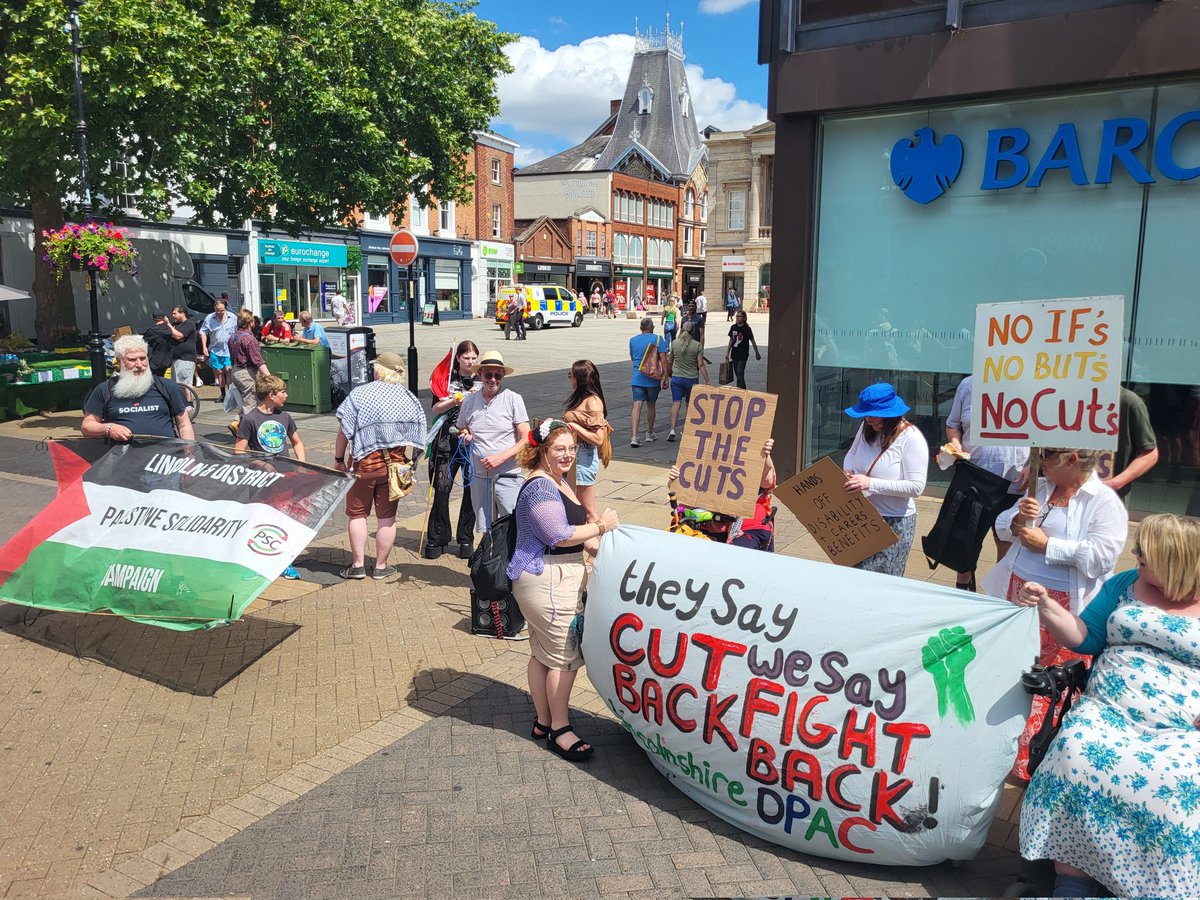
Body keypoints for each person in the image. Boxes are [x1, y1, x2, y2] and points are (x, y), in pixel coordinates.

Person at [1016, 513, 1200, 899]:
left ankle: (1149, 885)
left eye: (1145, 552)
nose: (1136, 555)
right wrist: (1047, 606)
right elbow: (1084, 638)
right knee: (1076, 752)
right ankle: (1072, 881)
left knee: (1179, 780)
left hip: (1182, 725)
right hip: (1109, 708)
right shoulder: (1124, 584)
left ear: (1174, 559)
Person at [981, 446, 1128, 782]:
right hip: (1018, 593)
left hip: (1064, 606)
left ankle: (1035, 759)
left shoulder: (1102, 501)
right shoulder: (1041, 488)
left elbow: (1102, 558)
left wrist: (1048, 545)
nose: (1038, 460)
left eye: (1046, 454)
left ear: (1072, 458)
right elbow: (1003, 527)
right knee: (1013, 670)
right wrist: (1018, 519)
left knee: (1049, 683)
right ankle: (1000, 747)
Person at [506, 418, 620, 762]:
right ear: (542, 450)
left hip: (549, 576)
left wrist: (593, 544)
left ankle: (543, 721)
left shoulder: (556, 479)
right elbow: (557, 533)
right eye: (560, 449)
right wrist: (601, 526)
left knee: (542, 653)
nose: (568, 454)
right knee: (566, 657)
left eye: (572, 448)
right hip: (549, 578)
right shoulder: (542, 486)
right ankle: (560, 729)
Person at [334, 353, 427, 580]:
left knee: (357, 515)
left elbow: (344, 431)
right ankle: (381, 567)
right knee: (387, 517)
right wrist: (412, 461)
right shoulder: (408, 398)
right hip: (394, 468)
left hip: (362, 465)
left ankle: (357, 566)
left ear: (379, 371)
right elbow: (419, 432)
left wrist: (338, 459)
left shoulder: (361, 394)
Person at [945, 374, 1030, 589]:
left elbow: (1047, 434)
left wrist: (1034, 465)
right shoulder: (968, 385)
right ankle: (963, 594)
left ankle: (1001, 595)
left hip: (1014, 483)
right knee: (966, 541)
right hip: (974, 477)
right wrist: (955, 443)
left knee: (1006, 543)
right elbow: (952, 424)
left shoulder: (1032, 384)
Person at [841, 383, 929, 577]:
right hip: (861, 517)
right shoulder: (867, 427)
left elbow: (916, 487)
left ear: (890, 413)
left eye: (873, 415)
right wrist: (848, 470)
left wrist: (870, 483)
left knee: (882, 582)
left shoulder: (911, 438)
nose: (868, 419)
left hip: (893, 522)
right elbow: (852, 453)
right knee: (856, 578)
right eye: (866, 414)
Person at [235, 373, 305, 579]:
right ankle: (254, 561)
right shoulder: (250, 419)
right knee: (259, 520)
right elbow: (239, 451)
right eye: (282, 391)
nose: (286, 394)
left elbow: (297, 442)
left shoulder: (285, 417)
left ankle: (284, 561)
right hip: (260, 481)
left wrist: (300, 464)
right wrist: (262, 465)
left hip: (285, 477)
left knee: (284, 519)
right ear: (270, 395)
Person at [458, 350, 530, 528]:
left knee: (511, 525)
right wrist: (465, 435)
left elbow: (527, 437)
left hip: (508, 476)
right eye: (488, 375)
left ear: (503, 375)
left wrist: (501, 458)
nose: (493, 379)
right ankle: (489, 556)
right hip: (479, 477)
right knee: (485, 527)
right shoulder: (469, 401)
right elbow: (462, 427)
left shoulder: (513, 399)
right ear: (480, 374)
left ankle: (510, 557)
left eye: (497, 375)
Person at [667, 438, 778, 550]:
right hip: (702, 520)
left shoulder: (749, 453)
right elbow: (679, 489)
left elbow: (767, 481)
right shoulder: (701, 455)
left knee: (739, 553)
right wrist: (675, 479)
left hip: (746, 525)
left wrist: (764, 455)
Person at [424, 341, 481, 561]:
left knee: (470, 489)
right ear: (458, 358)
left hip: (471, 442)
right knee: (442, 487)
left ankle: (465, 538)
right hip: (447, 439)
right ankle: (438, 536)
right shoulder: (447, 378)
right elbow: (435, 408)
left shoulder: (481, 379)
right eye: (466, 358)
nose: (470, 362)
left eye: (474, 358)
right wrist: (453, 400)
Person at [80, 334, 194, 441]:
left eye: (143, 358)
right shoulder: (104, 389)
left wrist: (189, 455)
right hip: (124, 459)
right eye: (132, 360)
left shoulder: (167, 386)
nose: (139, 365)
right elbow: (87, 426)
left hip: (165, 457)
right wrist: (109, 429)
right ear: (119, 362)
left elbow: (184, 424)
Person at [562, 360, 611, 523]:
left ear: (580, 378)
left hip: (584, 457)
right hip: (577, 455)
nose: (569, 378)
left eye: (571, 374)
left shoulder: (593, 401)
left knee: (589, 512)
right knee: (576, 509)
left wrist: (574, 427)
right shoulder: (581, 398)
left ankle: (597, 547)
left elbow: (598, 438)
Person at [1098, 386, 1159, 499]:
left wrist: (1115, 483)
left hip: (1110, 496)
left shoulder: (1128, 401)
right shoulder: (1067, 398)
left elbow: (1150, 454)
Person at [227, 309, 271, 435]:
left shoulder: (233, 337)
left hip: (235, 371)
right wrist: (269, 376)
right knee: (251, 403)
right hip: (246, 373)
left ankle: (237, 422)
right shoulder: (249, 339)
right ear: (251, 322)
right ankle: (246, 433)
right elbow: (257, 360)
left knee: (249, 401)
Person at [663, 322, 708, 443]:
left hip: (677, 378)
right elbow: (700, 364)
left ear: (682, 330)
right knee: (689, 405)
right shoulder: (697, 345)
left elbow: (669, 361)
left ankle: (672, 430)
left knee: (676, 404)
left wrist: (667, 376)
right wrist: (707, 380)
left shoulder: (675, 343)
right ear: (693, 331)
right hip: (691, 379)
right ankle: (687, 430)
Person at [629, 317, 669, 448]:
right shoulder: (658, 339)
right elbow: (663, 360)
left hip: (637, 377)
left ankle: (634, 436)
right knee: (651, 405)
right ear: (651, 327)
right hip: (652, 379)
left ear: (641, 328)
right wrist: (666, 378)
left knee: (637, 405)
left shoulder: (633, 340)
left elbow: (632, 358)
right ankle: (649, 433)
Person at [199, 297, 237, 402]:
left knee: (228, 370)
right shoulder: (209, 318)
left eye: (222, 310)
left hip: (229, 349)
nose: (220, 313)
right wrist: (204, 347)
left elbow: (238, 332)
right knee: (219, 371)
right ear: (214, 309)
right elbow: (203, 332)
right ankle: (223, 394)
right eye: (218, 311)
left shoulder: (232, 317)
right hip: (216, 349)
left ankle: (231, 394)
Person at [724, 309, 761, 389]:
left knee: (740, 372)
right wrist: (727, 352)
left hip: (743, 354)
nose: (737, 318)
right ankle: (743, 389)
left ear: (744, 318)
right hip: (734, 354)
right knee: (737, 373)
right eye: (736, 316)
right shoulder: (733, 327)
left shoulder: (747, 329)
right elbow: (731, 340)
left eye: (739, 316)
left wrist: (757, 353)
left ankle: (739, 391)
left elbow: (752, 341)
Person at [167, 305, 200, 392]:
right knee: (177, 384)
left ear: (182, 314)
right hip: (175, 359)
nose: (173, 316)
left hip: (185, 359)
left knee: (185, 385)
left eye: (175, 314)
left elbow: (179, 336)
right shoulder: (175, 325)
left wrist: (168, 324)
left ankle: (189, 403)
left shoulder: (189, 324)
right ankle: (181, 404)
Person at [142, 310, 174, 377]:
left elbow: (143, 342)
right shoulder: (169, 330)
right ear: (164, 317)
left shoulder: (152, 331)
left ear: (153, 318)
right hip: (167, 360)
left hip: (154, 362)